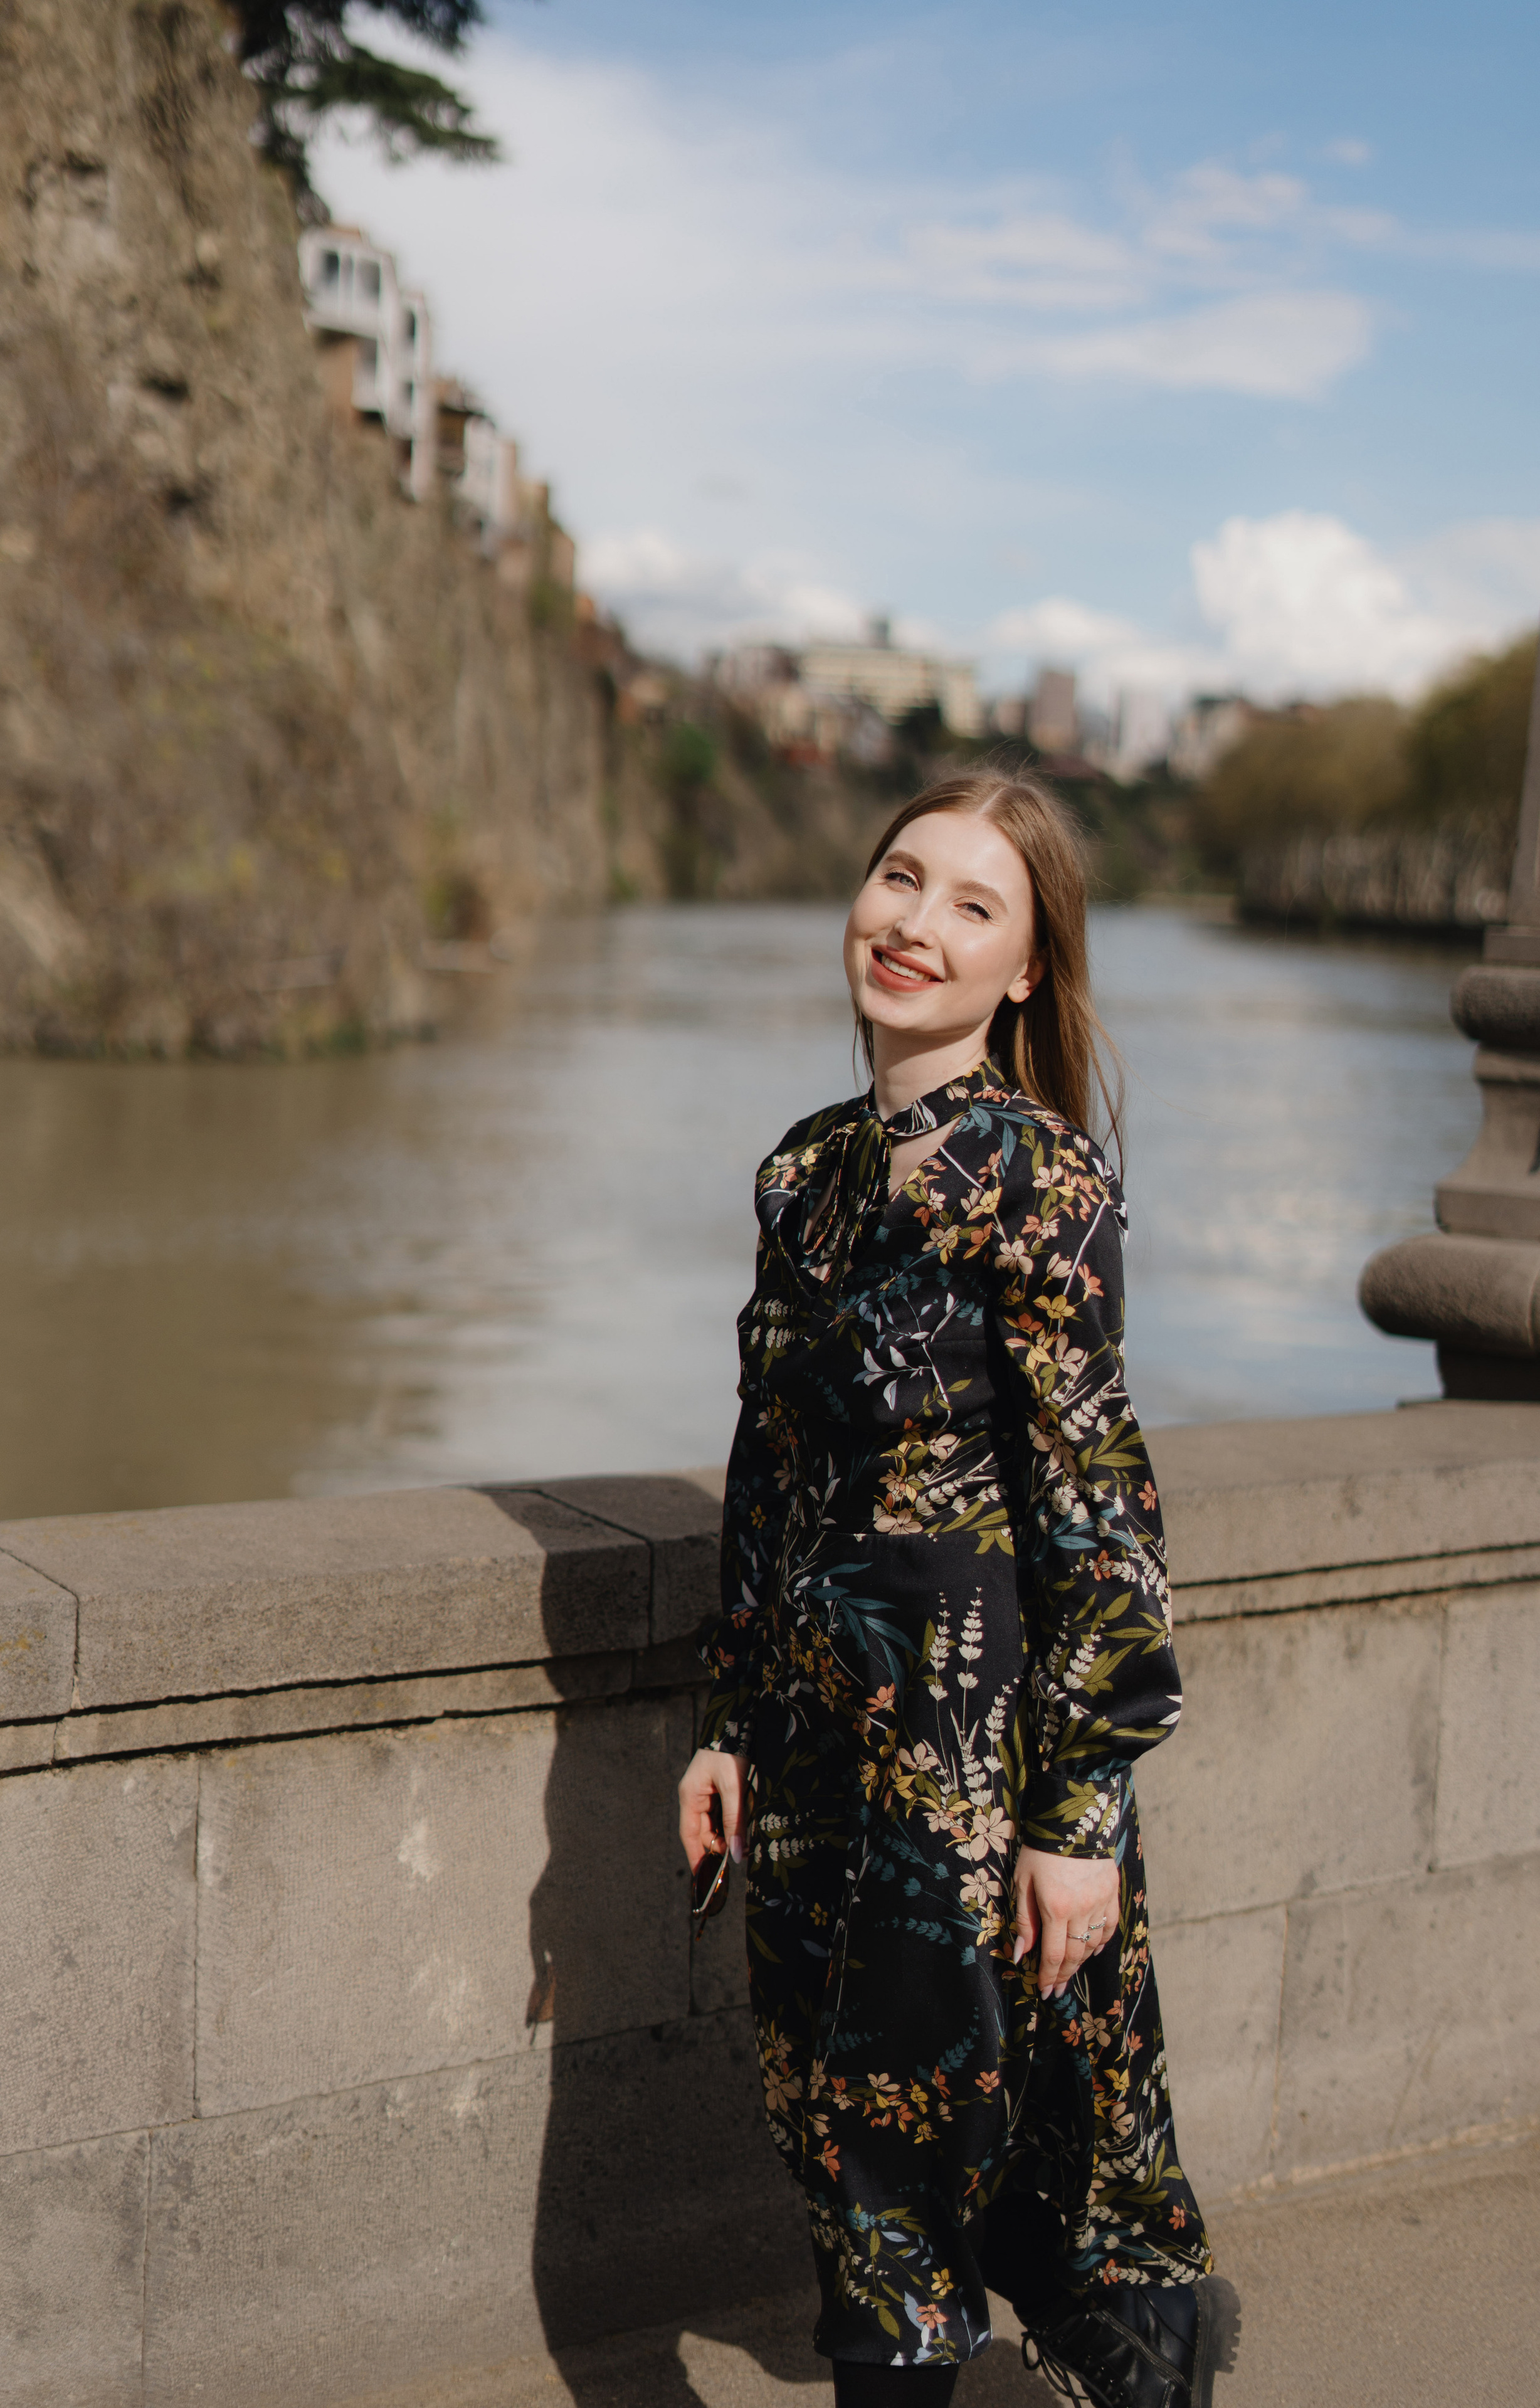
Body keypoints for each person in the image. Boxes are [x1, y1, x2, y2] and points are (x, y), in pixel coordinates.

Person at [677, 768, 1237, 2407]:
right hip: (814, 1762)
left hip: (965, 1769)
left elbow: (1100, 1502)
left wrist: (1081, 1814)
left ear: (1028, 972)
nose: (915, 924)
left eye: (973, 906)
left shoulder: (1039, 1181)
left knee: (919, 2199)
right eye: (900, 877)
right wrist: (724, 1725)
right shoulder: (806, 1174)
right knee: (859, 2171)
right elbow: (771, 1477)